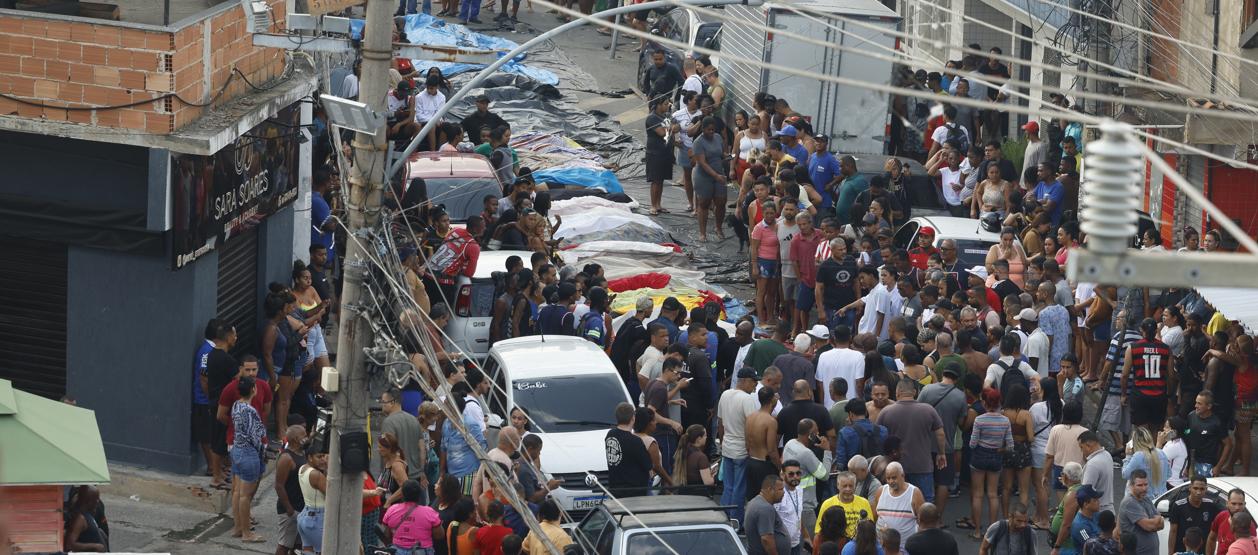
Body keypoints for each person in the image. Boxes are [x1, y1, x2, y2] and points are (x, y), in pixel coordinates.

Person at [876, 380, 947, 502]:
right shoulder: (928, 410)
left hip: (896, 466)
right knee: (925, 501)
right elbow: (940, 433)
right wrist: (941, 453)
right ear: (915, 392)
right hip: (922, 465)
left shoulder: (886, 412)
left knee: (898, 500)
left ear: (897, 393)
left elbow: (878, 437)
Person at [970, 387, 1013, 541]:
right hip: (996, 457)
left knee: (977, 494)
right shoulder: (1005, 420)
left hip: (979, 456)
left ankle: (976, 530)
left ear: (985, 402)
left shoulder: (979, 419)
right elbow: (1010, 446)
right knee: (993, 494)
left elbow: (972, 443)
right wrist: (998, 449)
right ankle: (991, 531)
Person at [229, 376, 267, 543]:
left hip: (236, 450)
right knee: (245, 495)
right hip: (248, 453)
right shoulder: (250, 411)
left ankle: (238, 527)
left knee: (237, 491)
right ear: (253, 389)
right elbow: (256, 436)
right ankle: (246, 533)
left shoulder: (236, 405)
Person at [1123, 318, 1174, 433]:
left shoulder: (1133, 348)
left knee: (1140, 430)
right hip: (1159, 395)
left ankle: (1142, 449)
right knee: (1156, 429)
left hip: (1139, 394)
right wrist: (1169, 394)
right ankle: (1154, 449)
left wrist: (1123, 394)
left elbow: (1125, 375)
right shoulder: (1166, 349)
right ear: (1156, 330)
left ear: (1142, 330)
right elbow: (1171, 375)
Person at [383, 480, 442, 555]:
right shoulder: (429, 512)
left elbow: (386, 534)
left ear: (403, 494)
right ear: (419, 494)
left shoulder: (392, 510)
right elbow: (439, 535)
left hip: (397, 551)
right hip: (422, 551)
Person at [605, 402, 651, 498]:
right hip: (633, 493)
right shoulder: (635, 441)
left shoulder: (610, 435)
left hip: (614, 490)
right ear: (633, 418)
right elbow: (648, 465)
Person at [746, 387, 783, 503]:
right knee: (766, 501)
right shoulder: (770, 421)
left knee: (752, 501)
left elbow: (747, 443)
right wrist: (780, 467)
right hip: (763, 465)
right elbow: (771, 450)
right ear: (772, 400)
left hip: (750, 461)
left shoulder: (750, 417)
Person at [870, 462, 924, 540]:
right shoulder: (880, 491)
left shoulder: (914, 493)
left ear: (902, 475)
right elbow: (873, 517)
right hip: (882, 546)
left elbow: (922, 521)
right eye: (888, 478)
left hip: (905, 548)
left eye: (894, 478)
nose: (891, 481)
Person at [1169, 475, 1221, 554]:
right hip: (1182, 551)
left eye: (1202, 489)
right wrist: (1170, 553)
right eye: (1195, 488)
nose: (1198, 492)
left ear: (1206, 489)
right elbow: (1173, 531)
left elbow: (1214, 531)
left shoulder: (1210, 505)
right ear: (1190, 488)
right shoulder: (1178, 506)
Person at [816, 472, 873, 540]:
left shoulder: (864, 503)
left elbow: (870, 528)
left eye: (851, 486)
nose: (848, 489)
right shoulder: (828, 504)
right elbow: (819, 531)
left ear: (855, 486)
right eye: (844, 486)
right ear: (838, 485)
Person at [1118, 469, 1163, 555]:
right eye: (1140, 485)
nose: (1144, 488)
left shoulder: (1146, 499)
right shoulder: (1129, 502)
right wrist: (1158, 519)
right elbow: (1149, 526)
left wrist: (1156, 521)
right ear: (1131, 486)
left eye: (1146, 484)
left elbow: (1162, 525)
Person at [1186, 391, 1229, 478]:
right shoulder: (1191, 416)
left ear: (1209, 406)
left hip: (1207, 464)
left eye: (1199, 404)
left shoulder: (1217, 423)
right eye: (1196, 402)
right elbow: (1186, 432)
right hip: (1189, 461)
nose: (1195, 406)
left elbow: (1228, 445)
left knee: (1202, 490)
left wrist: (1218, 467)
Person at [297, 438, 328, 553]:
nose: (323, 460)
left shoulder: (303, 468)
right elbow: (332, 495)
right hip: (317, 519)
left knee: (308, 551)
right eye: (319, 457)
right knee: (323, 551)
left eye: (324, 456)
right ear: (310, 457)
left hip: (305, 516)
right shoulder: (316, 475)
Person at [747, 475, 791, 555]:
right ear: (770, 489)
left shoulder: (754, 502)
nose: (784, 492)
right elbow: (766, 539)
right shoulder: (765, 508)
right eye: (780, 489)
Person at [1208, 489, 1255, 555]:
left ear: (1244, 505)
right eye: (1234, 503)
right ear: (1227, 503)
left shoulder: (1249, 526)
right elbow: (1211, 538)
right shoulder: (1221, 516)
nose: (1237, 507)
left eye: (1240, 504)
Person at [64, 486, 109, 552]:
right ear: (88, 501)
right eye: (96, 499)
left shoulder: (88, 513)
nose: (97, 502)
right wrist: (95, 546)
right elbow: (69, 545)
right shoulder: (80, 519)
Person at [1067, 485, 1104, 555]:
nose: (1099, 502)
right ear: (1086, 504)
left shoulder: (1096, 514)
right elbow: (1092, 546)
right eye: (1095, 500)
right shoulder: (1079, 526)